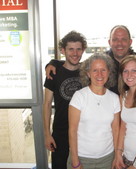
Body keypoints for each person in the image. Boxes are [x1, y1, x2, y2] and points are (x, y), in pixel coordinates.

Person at [45, 25, 136, 94]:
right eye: (115, 39)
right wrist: (54, 63)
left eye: (123, 39)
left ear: (130, 42)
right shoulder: (101, 61)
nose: (119, 43)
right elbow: (76, 63)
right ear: (109, 42)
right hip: (109, 122)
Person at [67, 53, 120, 169]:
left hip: (107, 158)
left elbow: (116, 130)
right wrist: (75, 161)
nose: (99, 74)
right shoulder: (79, 96)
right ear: (88, 73)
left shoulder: (115, 98)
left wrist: (117, 156)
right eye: (95, 70)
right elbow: (72, 130)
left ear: (109, 73)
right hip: (82, 158)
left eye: (103, 70)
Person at [42, 30, 87, 169]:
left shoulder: (88, 71)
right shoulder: (54, 73)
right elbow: (47, 104)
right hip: (60, 133)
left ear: (83, 50)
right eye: (71, 49)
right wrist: (47, 134)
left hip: (84, 133)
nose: (75, 53)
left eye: (78, 49)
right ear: (63, 50)